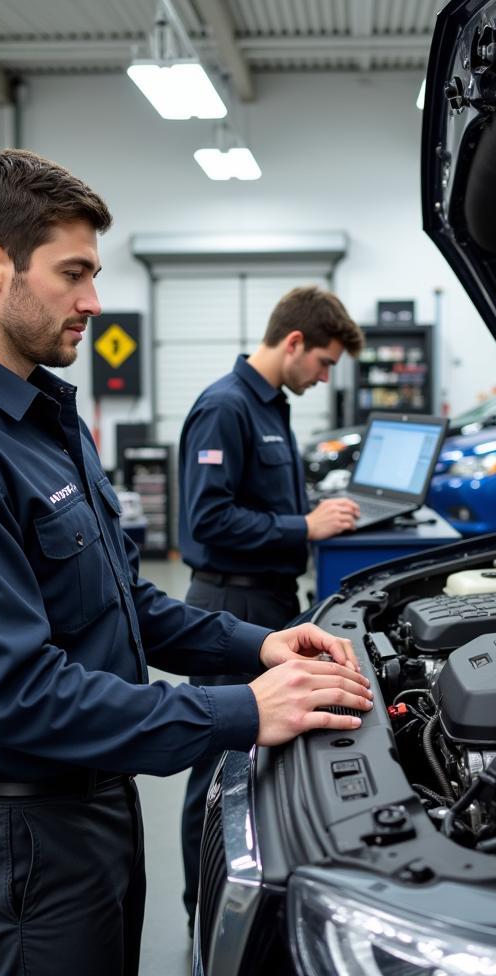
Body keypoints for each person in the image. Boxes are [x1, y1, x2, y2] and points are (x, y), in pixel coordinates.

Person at [0, 149, 373, 976]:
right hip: (21, 847)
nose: (95, 301)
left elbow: (127, 604)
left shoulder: (45, 423)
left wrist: (258, 647)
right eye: (74, 274)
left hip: (91, 811)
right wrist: (243, 712)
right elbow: (21, 698)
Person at [176, 284, 365, 928]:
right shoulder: (224, 408)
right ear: (294, 343)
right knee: (216, 766)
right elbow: (208, 520)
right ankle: (202, 911)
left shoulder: (271, 406)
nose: (324, 375)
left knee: (256, 762)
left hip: (269, 600)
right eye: (324, 361)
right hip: (233, 599)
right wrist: (303, 528)